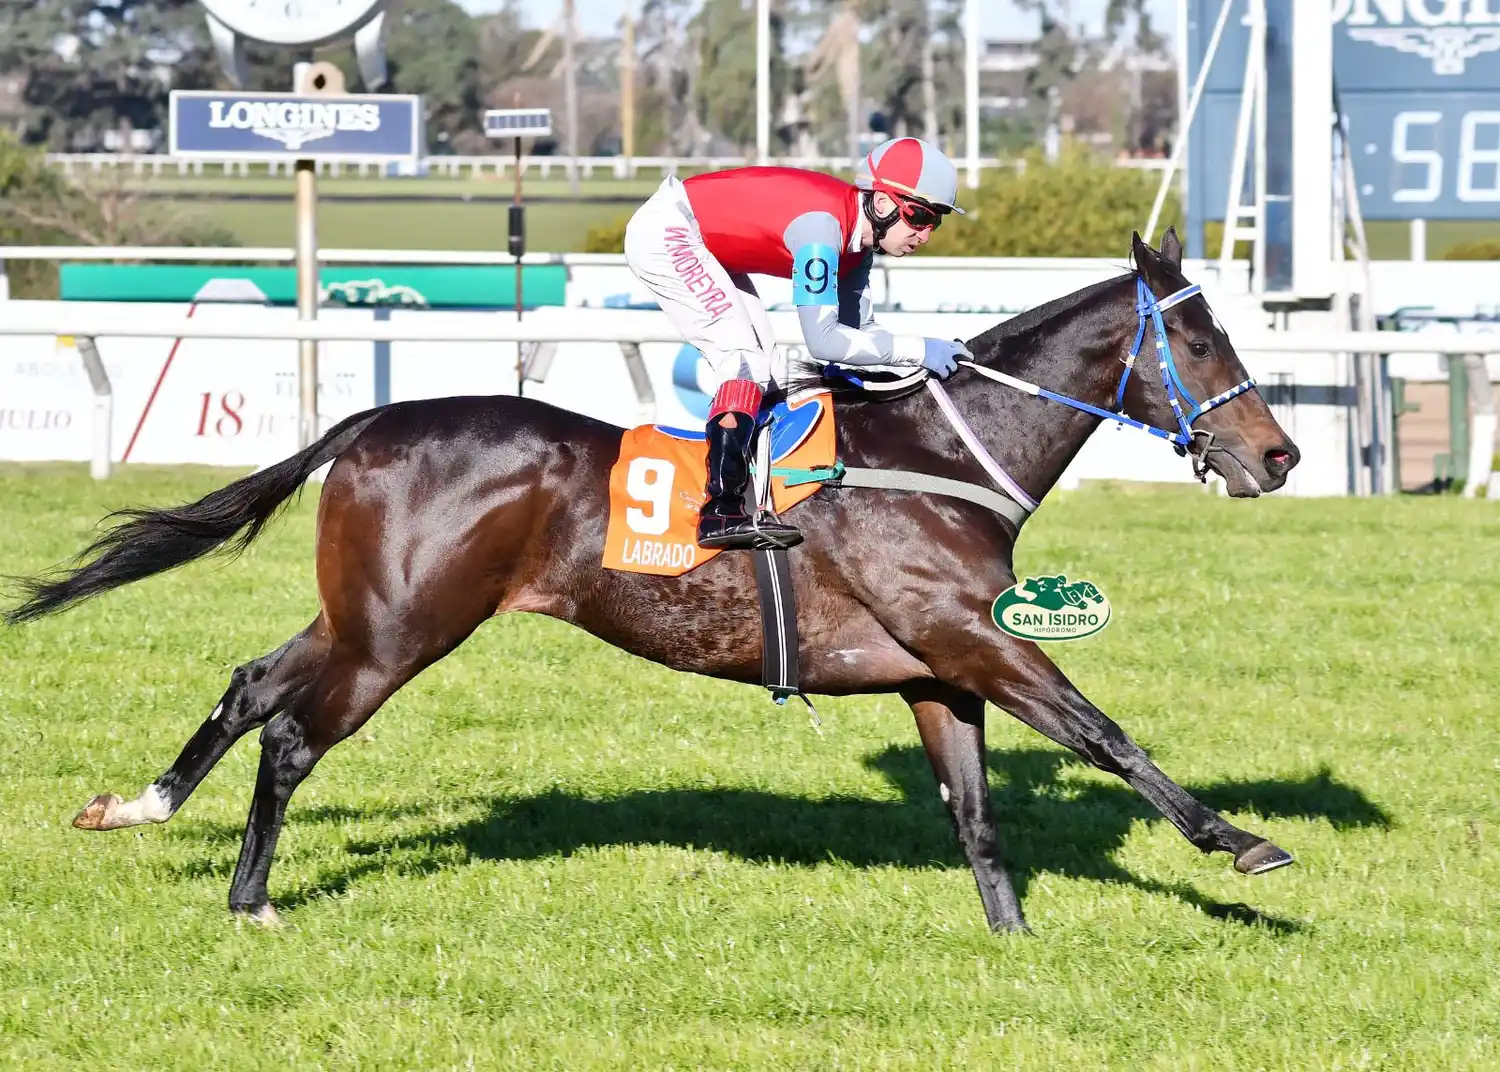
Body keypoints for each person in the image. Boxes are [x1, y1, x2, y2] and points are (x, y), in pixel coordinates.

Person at [622, 136, 973, 551]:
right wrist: (919, 348)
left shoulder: (856, 251)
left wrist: (927, 357)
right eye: (919, 216)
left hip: (705, 243)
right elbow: (824, 341)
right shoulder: (822, 231)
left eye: (936, 222)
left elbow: (863, 335)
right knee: (742, 361)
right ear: (882, 204)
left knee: (765, 370)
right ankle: (719, 510)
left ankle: (758, 491)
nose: (925, 234)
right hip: (668, 232)